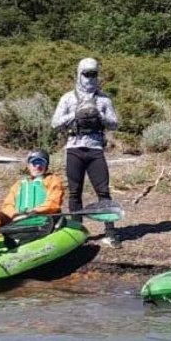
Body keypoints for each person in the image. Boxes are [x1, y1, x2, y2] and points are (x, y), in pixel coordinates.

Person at [50, 57, 120, 243]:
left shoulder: (104, 99)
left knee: (103, 191)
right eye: (86, 74)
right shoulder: (67, 98)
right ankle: (76, 232)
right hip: (74, 148)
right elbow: (55, 123)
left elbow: (115, 124)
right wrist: (76, 114)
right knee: (74, 192)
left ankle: (110, 233)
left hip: (96, 149)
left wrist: (100, 115)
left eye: (93, 74)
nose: (89, 78)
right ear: (78, 74)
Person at [0, 147, 66, 224]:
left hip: (44, 222)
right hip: (18, 221)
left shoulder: (53, 180)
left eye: (41, 162)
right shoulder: (18, 185)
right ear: (28, 165)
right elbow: (7, 205)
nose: (37, 166)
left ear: (46, 166)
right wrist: (15, 215)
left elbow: (53, 203)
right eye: (34, 162)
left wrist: (33, 212)